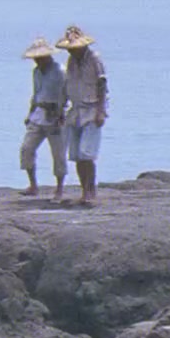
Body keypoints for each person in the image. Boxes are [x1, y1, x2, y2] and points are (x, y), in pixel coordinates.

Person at [56, 24, 108, 206]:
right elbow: (67, 86)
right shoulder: (71, 62)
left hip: (92, 108)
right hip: (76, 109)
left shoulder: (94, 59)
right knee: (77, 154)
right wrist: (62, 109)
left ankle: (90, 190)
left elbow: (102, 85)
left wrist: (101, 111)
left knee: (87, 153)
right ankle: (83, 189)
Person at [18, 36, 67, 200]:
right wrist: (30, 113)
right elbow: (36, 93)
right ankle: (33, 185)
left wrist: (60, 113)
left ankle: (59, 189)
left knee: (58, 154)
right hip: (38, 114)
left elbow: (64, 94)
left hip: (55, 116)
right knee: (27, 149)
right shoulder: (37, 72)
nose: (37, 61)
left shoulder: (60, 71)